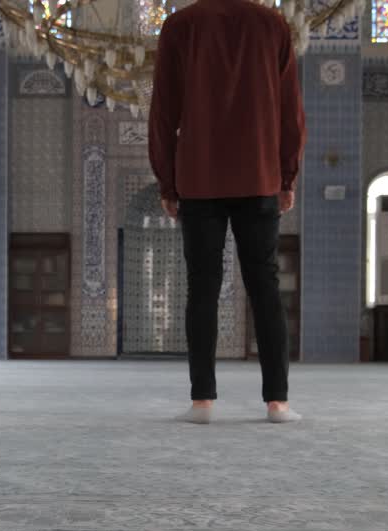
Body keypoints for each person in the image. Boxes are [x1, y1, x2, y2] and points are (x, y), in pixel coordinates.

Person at [149, 0, 306, 425]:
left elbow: (163, 111)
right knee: (265, 288)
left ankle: (202, 402)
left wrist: (168, 181)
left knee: (202, 287)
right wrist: (286, 176)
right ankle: (278, 403)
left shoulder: (181, 25)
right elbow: (291, 110)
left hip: (199, 179)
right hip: (259, 176)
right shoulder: (273, 25)